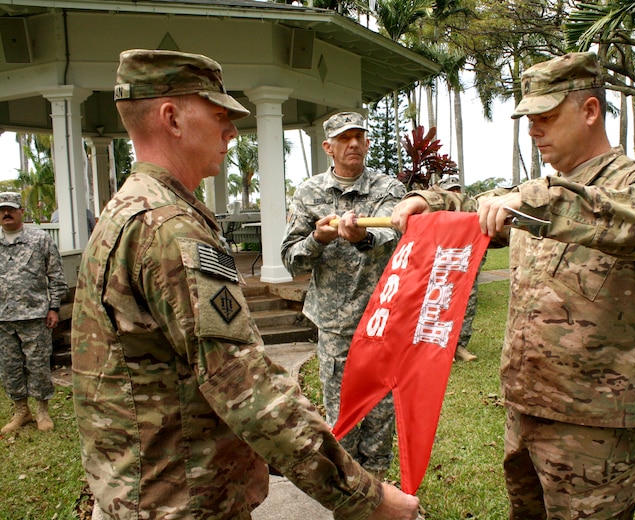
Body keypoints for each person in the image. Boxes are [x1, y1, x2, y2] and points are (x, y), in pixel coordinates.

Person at [70, 49, 419, 519]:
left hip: (151, 485)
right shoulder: (169, 228)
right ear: (171, 118)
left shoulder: (136, 208)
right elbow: (244, 387)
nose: (233, 131)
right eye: (219, 115)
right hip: (181, 499)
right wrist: (365, 497)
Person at [392, 52, 635, 519]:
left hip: (594, 426)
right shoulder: (535, 193)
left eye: (546, 117)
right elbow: (479, 207)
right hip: (526, 412)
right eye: (529, 118)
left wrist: (539, 202)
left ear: (590, 110)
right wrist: (429, 200)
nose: (533, 130)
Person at [281, 112, 405, 480]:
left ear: (367, 143)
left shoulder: (388, 188)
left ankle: (379, 492)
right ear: (328, 147)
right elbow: (291, 258)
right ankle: (350, 493)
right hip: (335, 327)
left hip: (382, 321)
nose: (352, 143)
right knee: (344, 417)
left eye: (358, 137)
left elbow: (395, 235)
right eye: (343, 138)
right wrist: (317, 239)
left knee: (382, 417)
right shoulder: (309, 193)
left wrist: (362, 237)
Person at [0, 191, 68, 433]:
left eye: (10, 209)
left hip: (35, 315)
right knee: (9, 367)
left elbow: (56, 276)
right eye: (1, 210)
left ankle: (42, 411)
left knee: (38, 364)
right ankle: (21, 411)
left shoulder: (40, 240)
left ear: (21, 212)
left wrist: (54, 307)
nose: (5, 213)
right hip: (3, 318)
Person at [437, 175, 480, 362]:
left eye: (457, 190)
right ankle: (443, 346)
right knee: (441, 302)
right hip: (443, 265)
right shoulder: (436, 215)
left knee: (467, 302)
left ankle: (459, 346)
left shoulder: (471, 213)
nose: (454, 194)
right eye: (450, 191)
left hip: (467, 263)